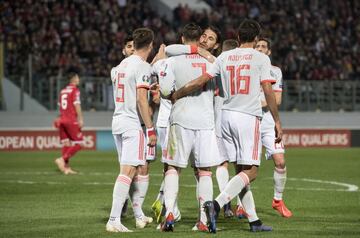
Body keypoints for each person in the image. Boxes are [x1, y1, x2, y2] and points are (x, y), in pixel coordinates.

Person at [170, 19, 283, 233]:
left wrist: (177, 94)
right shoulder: (260, 58)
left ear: (238, 37)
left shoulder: (225, 56)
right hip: (247, 116)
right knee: (251, 172)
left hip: (225, 117)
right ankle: (216, 204)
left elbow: (200, 80)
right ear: (256, 38)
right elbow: (268, 90)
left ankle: (254, 221)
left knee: (240, 171)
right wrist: (277, 121)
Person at [159, 23, 221, 232]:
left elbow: (165, 91)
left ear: (182, 38)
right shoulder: (212, 61)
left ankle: (169, 212)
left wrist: (169, 94)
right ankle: (203, 220)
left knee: (173, 168)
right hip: (205, 121)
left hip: (180, 119)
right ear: (199, 39)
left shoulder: (173, 60)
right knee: (204, 171)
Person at [106, 27, 157, 233]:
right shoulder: (142, 66)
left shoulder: (118, 67)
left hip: (117, 121)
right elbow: (141, 99)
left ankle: (135, 216)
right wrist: (151, 129)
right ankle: (113, 220)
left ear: (133, 45)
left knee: (129, 171)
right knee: (128, 172)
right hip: (131, 124)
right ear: (151, 45)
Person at [255, 37, 292, 218]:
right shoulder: (248, 68)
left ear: (268, 52)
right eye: (257, 46)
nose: (260, 49)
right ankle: (240, 205)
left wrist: (253, 102)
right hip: (251, 122)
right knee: (246, 166)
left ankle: (277, 200)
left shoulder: (275, 72)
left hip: (269, 124)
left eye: (263, 47)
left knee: (280, 161)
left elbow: (276, 100)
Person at [54, 72, 83, 175]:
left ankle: (66, 168)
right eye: (78, 77)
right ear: (74, 79)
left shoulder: (63, 91)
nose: (79, 79)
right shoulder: (75, 90)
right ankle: (62, 159)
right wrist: (80, 118)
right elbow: (77, 105)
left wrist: (59, 119)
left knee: (66, 144)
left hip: (62, 120)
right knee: (79, 144)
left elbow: (60, 106)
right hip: (71, 120)